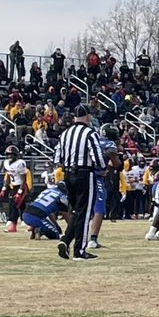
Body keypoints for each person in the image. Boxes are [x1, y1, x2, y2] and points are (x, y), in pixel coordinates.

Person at [54, 104, 105, 260]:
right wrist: (102, 167)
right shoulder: (90, 133)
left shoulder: (65, 134)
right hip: (85, 174)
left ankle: (65, 240)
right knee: (85, 212)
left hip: (68, 174)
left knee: (76, 211)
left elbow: (57, 159)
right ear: (88, 116)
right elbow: (97, 156)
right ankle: (79, 251)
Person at [86, 124, 122, 250]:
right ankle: (93, 240)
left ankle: (76, 234)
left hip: (82, 175)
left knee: (82, 208)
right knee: (99, 208)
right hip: (96, 177)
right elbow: (116, 163)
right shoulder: (109, 144)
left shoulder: (92, 139)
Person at [1, 146, 30, 233]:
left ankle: (15, 226)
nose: (10, 156)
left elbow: (23, 180)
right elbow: (8, 177)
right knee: (17, 206)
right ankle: (29, 224)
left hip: (21, 186)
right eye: (9, 155)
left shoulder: (20, 163)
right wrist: (4, 188)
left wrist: (20, 192)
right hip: (13, 187)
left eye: (12, 155)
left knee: (16, 206)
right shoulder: (6, 163)